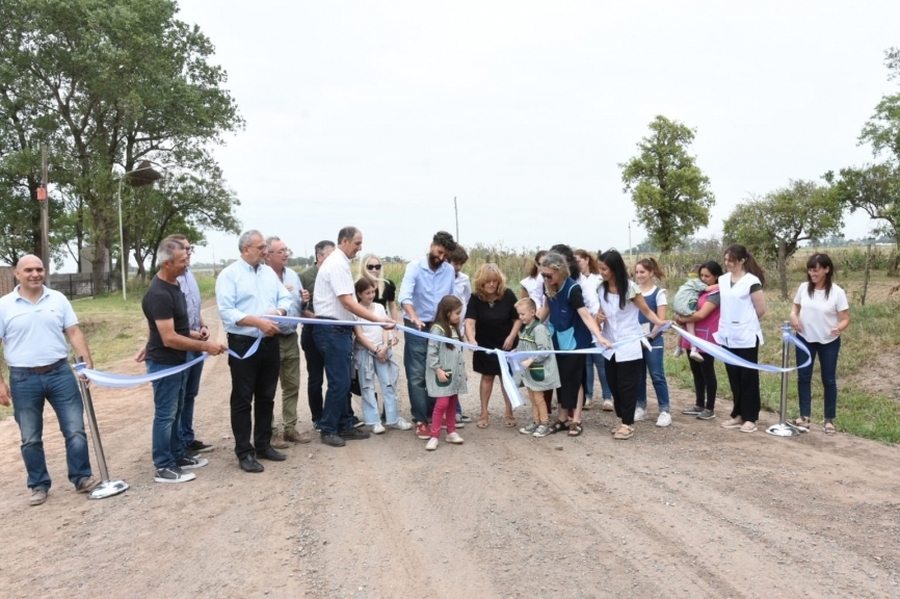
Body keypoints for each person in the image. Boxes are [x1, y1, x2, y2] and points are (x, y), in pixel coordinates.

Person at [0, 255, 99, 506]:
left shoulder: (58, 299)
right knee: (30, 436)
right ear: (17, 274)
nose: (35, 274)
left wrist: (85, 360)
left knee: (75, 429)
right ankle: (39, 484)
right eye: (29, 270)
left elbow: (73, 331)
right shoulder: (4, 306)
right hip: (23, 379)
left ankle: (81, 477)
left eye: (39, 269)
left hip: (60, 373)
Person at [143, 238, 228, 483]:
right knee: (166, 414)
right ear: (168, 263)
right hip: (165, 362)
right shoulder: (159, 293)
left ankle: (177, 455)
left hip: (179, 361)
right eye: (182, 261)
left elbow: (179, 328)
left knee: (177, 409)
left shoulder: (175, 286)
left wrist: (199, 333)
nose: (186, 264)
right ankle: (163, 465)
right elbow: (168, 337)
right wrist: (205, 346)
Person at [216, 230, 294, 473]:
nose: (265, 251)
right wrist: (257, 322)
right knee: (242, 398)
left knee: (266, 395)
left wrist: (279, 313)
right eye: (261, 247)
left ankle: (263, 444)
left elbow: (285, 298)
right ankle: (244, 452)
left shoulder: (268, 272)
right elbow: (227, 311)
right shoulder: (230, 275)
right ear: (245, 249)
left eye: (265, 247)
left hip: (270, 341)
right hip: (244, 343)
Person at [314, 226, 395, 448]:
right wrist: (378, 320)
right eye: (358, 243)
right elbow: (348, 302)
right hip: (332, 329)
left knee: (342, 381)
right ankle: (328, 428)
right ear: (346, 241)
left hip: (338, 329)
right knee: (339, 382)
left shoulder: (339, 263)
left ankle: (344, 424)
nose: (360, 248)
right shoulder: (337, 263)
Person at [597, 249, 668, 440]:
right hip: (609, 345)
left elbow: (646, 311)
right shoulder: (600, 289)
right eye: (600, 268)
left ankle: (627, 424)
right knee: (613, 384)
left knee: (627, 385)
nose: (601, 272)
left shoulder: (630, 288)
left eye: (604, 269)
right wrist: (598, 318)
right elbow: (600, 313)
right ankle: (622, 418)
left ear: (614, 268)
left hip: (629, 344)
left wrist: (661, 323)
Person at [537, 250, 610, 437]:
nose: (545, 277)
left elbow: (584, 314)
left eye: (548, 274)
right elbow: (546, 308)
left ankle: (576, 419)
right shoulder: (549, 286)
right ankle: (562, 418)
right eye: (543, 274)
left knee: (574, 379)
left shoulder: (572, 289)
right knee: (560, 378)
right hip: (558, 338)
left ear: (559, 270)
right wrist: (528, 328)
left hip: (575, 340)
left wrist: (599, 336)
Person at [398, 230, 457, 440]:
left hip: (439, 327)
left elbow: (451, 299)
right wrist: (414, 317)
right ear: (432, 245)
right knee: (416, 373)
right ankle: (421, 420)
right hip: (416, 326)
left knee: (438, 369)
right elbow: (404, 296)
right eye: (439, 252)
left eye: (445, 255)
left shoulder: (449, 271)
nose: (440, 258)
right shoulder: (414, 267)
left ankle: (436, 415)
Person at [788, 253, 850, 435]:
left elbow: (845, 318)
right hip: (804, 339)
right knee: (803, 377)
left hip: (828, 341)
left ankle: (829, 420)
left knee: (828, 380)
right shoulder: (803, 288)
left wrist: (839, 328)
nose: (812, 273)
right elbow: (795, 309)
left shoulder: (838, 292)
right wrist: (794, 318)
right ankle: (804, 417)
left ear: (826, 269)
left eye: (816, 270)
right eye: (810, 270)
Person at [166, 234, 214, 456]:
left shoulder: (190, 275)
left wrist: (202, 326)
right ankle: (177, 443)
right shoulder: (170, 281)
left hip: (195, 342)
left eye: (189, 248)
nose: (188, 253)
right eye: (184, 249)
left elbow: (194, 309)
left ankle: (187, 436)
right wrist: (191, 334)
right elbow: (170, 322)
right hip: (183, 344)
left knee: (190, 393)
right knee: (180, 395)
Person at [715, 244, 767, 434]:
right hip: (727, 335)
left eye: (731, 260)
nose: (727, 263)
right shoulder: (722, 280)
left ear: (742, 261)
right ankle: (738, 414)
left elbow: (760, 309)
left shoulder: (751, 281)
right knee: (733, 376)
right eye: (726, 260)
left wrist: (745, 322)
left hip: (745, 335)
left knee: (748, 377)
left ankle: (751, 417)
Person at [266, 236, 312, 447]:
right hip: (268, 339)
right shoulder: (262, 276)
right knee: (267, 387)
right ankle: (270, 431)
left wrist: (304, 299)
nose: (286, 254)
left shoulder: (293, 274)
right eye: (281, 251)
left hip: (290, 337)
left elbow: (301, 307)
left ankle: (290, 428)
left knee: (292, 385)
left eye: (287, 250)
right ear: (268, 254)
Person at [465, 263, 521, 429]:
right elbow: (469, 322)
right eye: (487, 282)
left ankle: (509, 412)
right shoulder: (475, 298)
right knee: (487, 377)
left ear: (499, 282)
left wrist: (512, 336)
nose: (491, 285)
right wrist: (471, 339)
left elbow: (518, 319)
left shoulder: (508, 295)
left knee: (506, 378)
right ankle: (483, 413)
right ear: (481, 282)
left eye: (494, 282)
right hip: (485, 344)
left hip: (506, 343)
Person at [352, 277, 411, 433]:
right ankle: (373, 421)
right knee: (367, 386)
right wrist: (376, 350)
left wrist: (385, 346)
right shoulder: (356, 311)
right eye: (367, 293)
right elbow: (359, 335)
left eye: (373, 292)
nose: (371, 295)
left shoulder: (379, 307)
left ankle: (393, 418)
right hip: (366, 352)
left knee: (388, 384)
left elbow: (385, 327)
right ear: (359, 294)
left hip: (383, 350)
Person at [676, 261, 724, 421]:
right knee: (696, 372)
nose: (704, 279)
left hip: (706, 338)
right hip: (691, 336)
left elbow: (701, 314)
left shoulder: (717, 292)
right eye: (701, 275)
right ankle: (698, 404)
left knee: (707, 372)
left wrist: (681, 317)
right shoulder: (698, 289)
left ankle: (710, 407)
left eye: (707, 276)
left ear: (716, 276)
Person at [299, 240, 335, 429]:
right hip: (313, 331)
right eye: (330, 255)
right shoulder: (305, 276)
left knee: (335, 377)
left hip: (333, 332)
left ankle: (333, 415)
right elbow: (298, 308)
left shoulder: (335, 273)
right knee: (316, 378)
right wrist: (319, 319)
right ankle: (317, 417)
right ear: (319, 256)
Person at [424, 295, 467, 451]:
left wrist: (463, 370)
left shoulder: (454, 328)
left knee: (452, 403)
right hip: (442, 373)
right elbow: (432, 352)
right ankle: (434, 435)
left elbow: (458, 352)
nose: (459, 316)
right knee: (442, 403)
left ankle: (451, 431)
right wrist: (437, 369)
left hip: (454, 373)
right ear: (448, 312)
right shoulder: (437, 329)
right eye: (457, 312)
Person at [633, 257, 672, 427]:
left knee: (657, 375)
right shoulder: (633, 292)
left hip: (653, 342)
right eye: (637, 272)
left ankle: (664, 410)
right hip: (635, 341)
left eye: (642, 272)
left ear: (651, 273)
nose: (639, 275)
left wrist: (648, 338)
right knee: (638, 375)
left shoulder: (659, 293)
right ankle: (640, 406)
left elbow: (660, 321)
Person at [514, 297, 560, 438]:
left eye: (523, 314)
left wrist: (531, 360)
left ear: (532, 312)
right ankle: (536, 421)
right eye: (519, 314)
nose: (520, 317)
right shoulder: (524, 329)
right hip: (529, 373)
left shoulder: (539, 329)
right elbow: (523, 346)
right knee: (533, 398)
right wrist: (514, 352)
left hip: (538, 370)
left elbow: (544, 350)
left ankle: (544, 423)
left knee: (539, 398)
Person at [573, 248, 612, 411]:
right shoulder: (575, 280)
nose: (576, 264)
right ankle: (588, 396)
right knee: (586, 364)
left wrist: (599, 320)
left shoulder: (598, 279)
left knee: (601, 364)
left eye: (578, 261)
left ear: (587, 260)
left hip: (598, 324)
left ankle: (607, 397)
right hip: (583, 325)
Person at [448, 244, 473, 424]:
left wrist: (466, 328)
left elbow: (468, 301)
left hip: (459, 330)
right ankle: (447, 411)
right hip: (444, 330)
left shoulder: (464, 279)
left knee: (458, 370)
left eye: (460, 264)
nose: (457, 268)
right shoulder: (441, 278)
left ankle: (456, 410)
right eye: (455, 263)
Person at [671, 275, 711, 362]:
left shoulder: (688, 283)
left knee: (684, 329)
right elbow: (707, 289)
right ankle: (694, 349)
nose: (704, 278)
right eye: (703, 276)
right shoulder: (697, 282)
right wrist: (721, 284)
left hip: (679, 305)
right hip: (687, 304)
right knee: (690, 325)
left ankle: (679, 348)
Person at [356, 254, 400, 323]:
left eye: (377, 267)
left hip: (383, 322)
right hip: (363, 322)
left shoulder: (387, 284)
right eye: (370, 267)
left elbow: (392, 307)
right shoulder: (357, 286)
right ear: (363, 267)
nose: (374, 270)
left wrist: (395, 327)